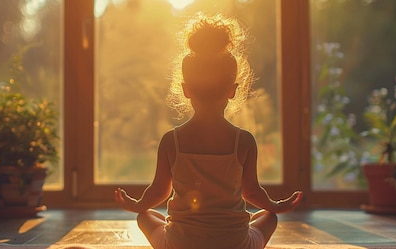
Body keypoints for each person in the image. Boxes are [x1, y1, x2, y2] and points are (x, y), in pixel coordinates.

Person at [114, 13, 303, 249]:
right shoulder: (243, 141)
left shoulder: (172, 141)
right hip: (234, 244)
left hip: (181, 244)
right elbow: (252, 193)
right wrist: (276, 205)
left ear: (186, 89)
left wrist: (136, 204)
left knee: (146, 216)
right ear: (232, 90)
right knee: (267, 217)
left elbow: (158, 192)